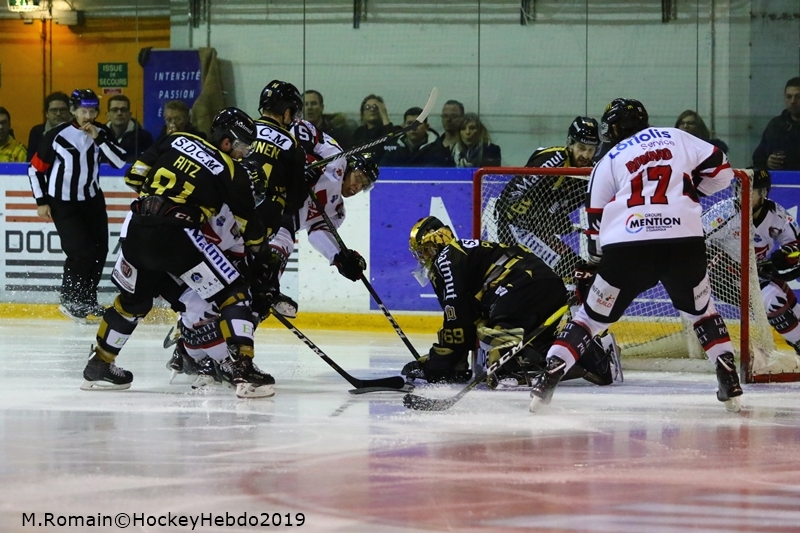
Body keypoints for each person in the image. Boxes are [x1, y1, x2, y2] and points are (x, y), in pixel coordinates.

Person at [530, 98, 743, 413]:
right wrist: (689, 190)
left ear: (614, 127)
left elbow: (594, 229)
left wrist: (594, 270)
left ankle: (547, 378)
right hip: (683, 241)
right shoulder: (677, 137)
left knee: (590, 318)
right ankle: (728, 375)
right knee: (703, 312)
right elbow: (724, 172)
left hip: (630, 246)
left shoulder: (609, 159)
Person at [85, 107, 276, 399]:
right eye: (240, 146)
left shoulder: (176, 139)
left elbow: (134, 178)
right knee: (235, 294)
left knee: (133, 302)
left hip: (137, 228)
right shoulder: (231, 169)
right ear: (227, 142)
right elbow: (251, 229)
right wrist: (259, 255)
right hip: (178, 233)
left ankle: (99, 364)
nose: (241, 153)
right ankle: (243, 370)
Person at [167, 153, 377, 386]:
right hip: (254, 223)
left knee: (258, 297)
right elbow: (288, 147)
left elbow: (318, 233)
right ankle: (195, 347)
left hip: (279, 232)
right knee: (235, 289)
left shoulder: (337, 211)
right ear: (348, 168)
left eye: (364, 185)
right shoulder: (327, 164)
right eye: (358, 177)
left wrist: (339, 257)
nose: (358, 186)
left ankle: (219, 354)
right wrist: (300, 167)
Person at [401, 216, 621, 388]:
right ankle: (584, 349)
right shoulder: (464, 255)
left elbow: (456, 315)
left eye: (427, 250)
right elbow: (467, 319)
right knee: (522, 350)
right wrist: (451, 363)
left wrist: (439, 363)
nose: (424, 258)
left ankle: (588, 355)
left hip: (522, 290)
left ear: (440, 243)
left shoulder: (447, 258)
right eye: (420, 253)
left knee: (498, 349)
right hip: (540, 289)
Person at [28, 89, 127, 322]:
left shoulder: (102, 132)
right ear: (73, 111)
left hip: (92, 200)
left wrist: (98, 138)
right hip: (63, 202)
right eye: (83, 111)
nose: (88, 116)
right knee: (80, 251)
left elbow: (119, 161)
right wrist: (41, 201)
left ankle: (87, 300)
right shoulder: (57, 135)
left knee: (99, 251)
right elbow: (34, 169)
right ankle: (70, 299)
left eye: (92, 111)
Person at [703, 169, 800, 355]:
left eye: (749, 190)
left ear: (763, 193)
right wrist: (708, 260)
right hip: (726, 279)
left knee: (786, 297)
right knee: (773, 301)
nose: (741, 193)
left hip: (756, 272)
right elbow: (695, 240)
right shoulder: (722, 213)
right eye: (738, 187)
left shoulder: (778, 216)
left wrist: (788, 256)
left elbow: (796, 246)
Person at [494, 116, 600, 279]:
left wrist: (554, 221)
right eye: (581, 147)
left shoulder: (590, 173)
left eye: (591, 149)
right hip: (514, 225)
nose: (586, 155)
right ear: (570, 143)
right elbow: (512, 196)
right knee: (571, 271)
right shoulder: (554, 160)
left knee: (577, 271)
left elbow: (560, 209)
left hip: (536, 229)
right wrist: (539, 217)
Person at [753, 77, 800, 170]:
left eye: (798, 97)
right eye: (789, 96)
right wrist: (768, 162)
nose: (793, 101)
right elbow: (757, 158)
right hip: (781, 181)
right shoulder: (776, 126)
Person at [350, 94, 399, 162]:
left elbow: (392, 146)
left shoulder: (391, 129)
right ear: (363, 113)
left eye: (375, 107)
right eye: (367, 107)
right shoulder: (359, 132)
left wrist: (384, 116)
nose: (372, 110)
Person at [106, 95, 153, 163]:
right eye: (115, 110)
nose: (119, 113)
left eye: (123, 110)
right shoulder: (99, 135)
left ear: (129, 115)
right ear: (108, 115)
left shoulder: (144, 137)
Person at [26, 92, 71, 162]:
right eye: (54, 110)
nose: (58, 114)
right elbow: (31, 161)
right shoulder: (37, 132)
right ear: (46, 113)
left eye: (63, 110)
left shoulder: (78, 131)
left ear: (69, 111)